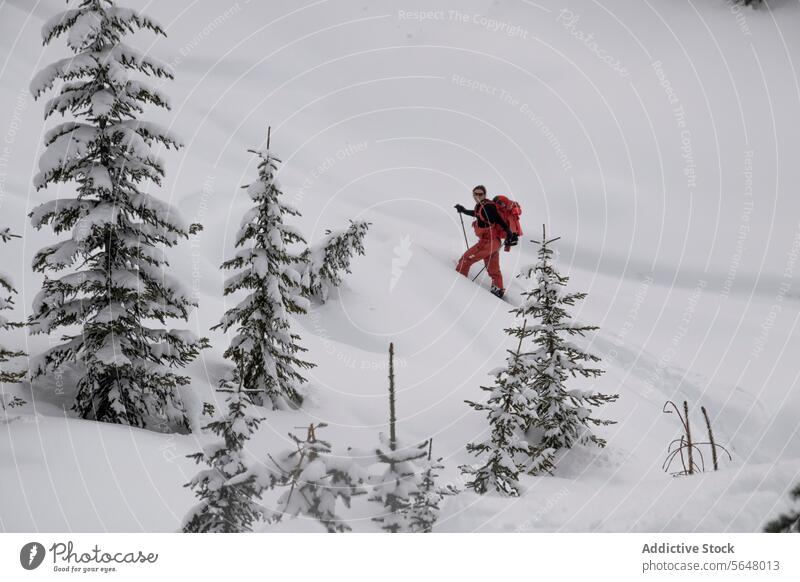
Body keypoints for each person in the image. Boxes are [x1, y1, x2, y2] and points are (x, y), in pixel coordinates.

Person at [454, 185, 518, 299]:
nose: (478, 196)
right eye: (475, 194)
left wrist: (508, 232)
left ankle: (457, 284)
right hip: (494, 243)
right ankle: (498, 290)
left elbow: (498, 219)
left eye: (480, 194)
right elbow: (477, 213)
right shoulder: (482, 206)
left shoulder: (488, 207)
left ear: (485, 195)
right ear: (473, 195)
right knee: (494, 270)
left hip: (487, 243)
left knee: (466, 259)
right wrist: (463, 210)